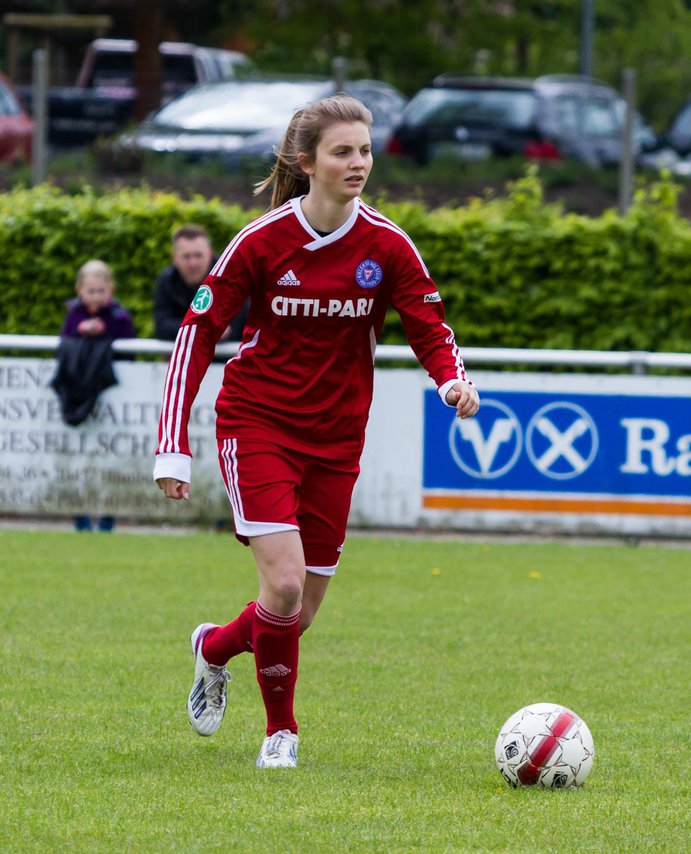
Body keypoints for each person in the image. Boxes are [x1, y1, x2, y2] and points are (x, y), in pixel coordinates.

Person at [152, 94, 480, 769]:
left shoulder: (387, 245)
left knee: (295, 616)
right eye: (342, 152)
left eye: (364, 150)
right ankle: (281, 733)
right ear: (308, 162)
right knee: (284, 587)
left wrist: (451, 380)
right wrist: (172, 446)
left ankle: (213, 649)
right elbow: (198, 331)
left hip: (336, 441)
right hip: (258, 422)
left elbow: (428, 325)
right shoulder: (263, 240)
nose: (358, 163)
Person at [53, 259, 136, 531]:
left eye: (101, 290)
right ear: (80, 290)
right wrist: (78, 335)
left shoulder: (119, 318)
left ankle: (109, 517)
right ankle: (80, 516)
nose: (96, 296)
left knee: (112, 460)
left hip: (111, 399)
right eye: (91, 291)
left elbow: (130, 354)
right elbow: (63, 351)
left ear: (110, 289)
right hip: (81, 396)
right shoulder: (74, 316)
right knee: (77, 458)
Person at [153, 224, 247, 343]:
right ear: (174, 258)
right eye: (186, 257)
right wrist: (205, 328)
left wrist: (191, 328)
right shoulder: (166, 280)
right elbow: (162, 327)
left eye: (198, 255)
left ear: (210, 254)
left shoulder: (228, 276)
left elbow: (241, 323)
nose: (193, 263)